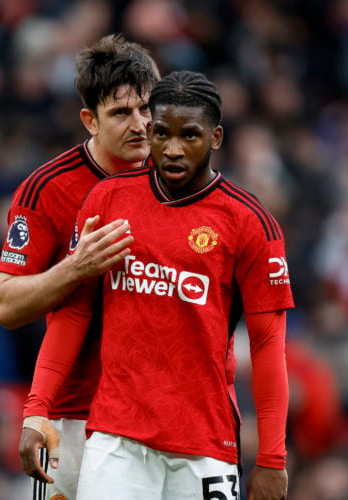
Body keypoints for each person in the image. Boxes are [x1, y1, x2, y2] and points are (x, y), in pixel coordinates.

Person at [23, 70, 293, 499]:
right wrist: (36, 409)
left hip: (206, 442)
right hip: (117, 438)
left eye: (190, 136)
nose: (172, 149)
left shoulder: (250, 222)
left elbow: (267, 345)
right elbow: (74, 313)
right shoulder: (110, 200)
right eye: (161, 133)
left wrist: (272, 458)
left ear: (216, 137)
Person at [0, 33, 160, 498]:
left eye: (147, 109)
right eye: (122, 113)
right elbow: (6, 305)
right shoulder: (46, 189)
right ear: (89, 120)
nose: (141, 125)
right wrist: (75, 267)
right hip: (74, 415)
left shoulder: (174, 181)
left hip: (158, 413)